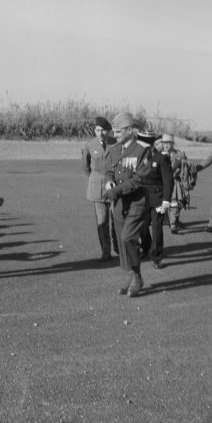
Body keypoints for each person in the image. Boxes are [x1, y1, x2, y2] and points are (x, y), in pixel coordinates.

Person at [103, 112, 151, 297]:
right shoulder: (113, 150)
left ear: (130, 130)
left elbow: (138, 180)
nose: (115, 135)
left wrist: (115, 190)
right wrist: (109, 182)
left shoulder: (142, 150)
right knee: (121, 243)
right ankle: (132, 274)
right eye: (114, 132)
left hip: (136, 203)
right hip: (119, 204)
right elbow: (108, 171)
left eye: (119, 131)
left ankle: (137, 278)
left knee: (128, 238)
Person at [81, 116, 118, 261]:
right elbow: (84, 166)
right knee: (102, 222)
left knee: (116, 219)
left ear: (108, 131)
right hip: (97, 187)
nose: (100, 133)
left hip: (114, 186)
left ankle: (118, 248)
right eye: (97, 130)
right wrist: (94, 179)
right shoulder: (90, 145)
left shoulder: (115, 144)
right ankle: (105, 251)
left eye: (103, 130)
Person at [137, 130, 173, 269]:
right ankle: (146, 248)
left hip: (157, 198)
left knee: (157, 229)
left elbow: (168, 181)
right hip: (141, 198)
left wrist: (166, 200)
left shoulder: (161, 158)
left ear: (149, 144)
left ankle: (156, 257)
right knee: (141, 226)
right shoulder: (139, 156)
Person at [160, 133, 189, 233]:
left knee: (176, 204)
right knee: (169, 204)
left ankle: (174, 222)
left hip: (175, 183)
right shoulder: (159, 154)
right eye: (164, 143)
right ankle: (172, 223)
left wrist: (181, 162)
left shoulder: (179, 154)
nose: (166, 145)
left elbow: (185, 168)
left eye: (168, 143)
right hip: (163, 183)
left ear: (172, 143)